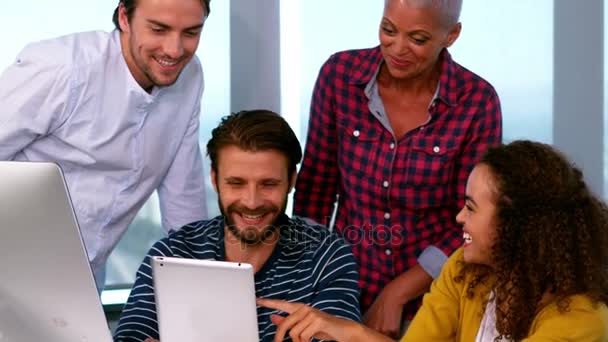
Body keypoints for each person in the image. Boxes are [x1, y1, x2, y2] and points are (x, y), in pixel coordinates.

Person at [292, 0, 502, 336]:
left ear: (451, 35)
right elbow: (315, 191)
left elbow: (470, 217)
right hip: (342, 288)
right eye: (388, 30)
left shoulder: (477, 102)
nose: (397, 48)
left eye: (418, 39)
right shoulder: (339, 76)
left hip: (435, 297)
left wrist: (397, 293)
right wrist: (310, 282)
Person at [260, 140, 608, 341]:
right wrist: (338, 328)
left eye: (470, 208)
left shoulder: (582, 322)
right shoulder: (464, 270)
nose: (459, 218)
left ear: (518, 226)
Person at [0, 0, 211, 291]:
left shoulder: (190, 78)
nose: (174, 50)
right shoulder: (63, 67)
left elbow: (183, 200)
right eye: (158, 29)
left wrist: (200, 296)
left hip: (82, 281)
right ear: (124, 17)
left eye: (191, 32)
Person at [113, 110, 361, 342]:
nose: (251, 202)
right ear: (214, 179)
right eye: (236, 183)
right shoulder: (172, 254)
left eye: (268, 184)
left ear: (291, 181)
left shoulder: (327, 256)